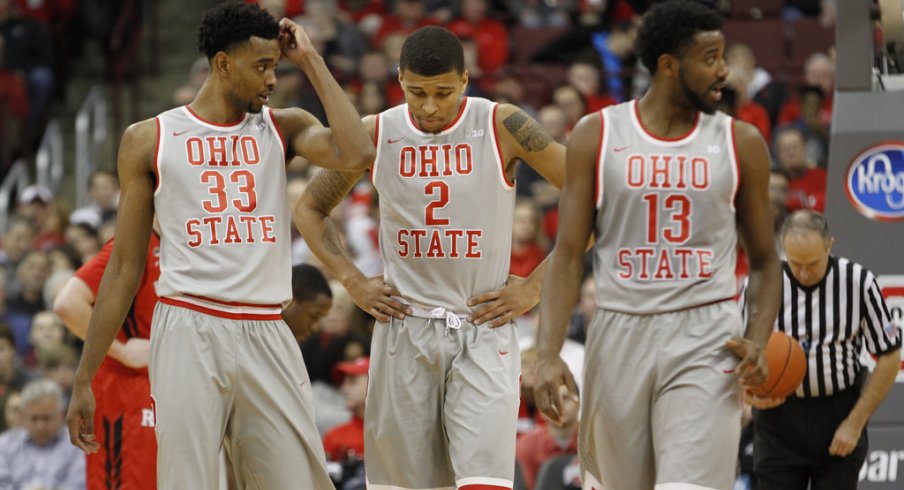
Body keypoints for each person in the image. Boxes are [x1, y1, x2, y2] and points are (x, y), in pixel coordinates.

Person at [64, 2, 375, 488]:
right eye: (263, 66)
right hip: (189, 324)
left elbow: (357, 152)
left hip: (267, 327)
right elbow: (125, 268)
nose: (273, 79)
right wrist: (85, 378)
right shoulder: (150, 139)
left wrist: (311, 60)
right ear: (223, 63)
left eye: (276, 65)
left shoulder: (283, 126)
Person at [296, 25, 565, 490]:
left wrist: (537, 283)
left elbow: (592, 196)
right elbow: (310, 208)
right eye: (417, 91)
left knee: (485, 482)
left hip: (482, 325)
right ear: (399, 79)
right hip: (406, 328)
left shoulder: (502, 124)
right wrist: (353, 281)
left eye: (443, 92)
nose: (429, 105)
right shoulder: (376, 132)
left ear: (465, 80)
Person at [532, 2, 782, 489]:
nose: (724, 71)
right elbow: (565, 255)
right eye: (710, 58)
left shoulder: (741, 142)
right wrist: (547, 352)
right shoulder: (597, 135)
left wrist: (757, 335)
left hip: (708, 336)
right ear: (669, 65)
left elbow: (767, 262)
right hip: (619, 329)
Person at [745, 210, 902, 490]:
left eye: (813, 263)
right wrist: (747, 391)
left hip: (838, 411)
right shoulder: (762, 284)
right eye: (795, 264)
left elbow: (890, 356)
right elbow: (737, 349)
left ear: (830, 245)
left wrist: (855, 422)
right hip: (778, 418)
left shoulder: (858, 282)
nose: (804, 273)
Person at [54, 233, 161, 490]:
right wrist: (122, 351)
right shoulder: (136, 243)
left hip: (165, 383)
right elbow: (68, 303)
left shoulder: (182, 240)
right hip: (126, 388)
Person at [0, 378, 85, 489]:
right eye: (34, 419)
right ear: (24, 416)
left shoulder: (77, 446)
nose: (40, 426)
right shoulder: (5, 445)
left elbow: (79, 485)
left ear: (62, 415)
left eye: (46, 418)